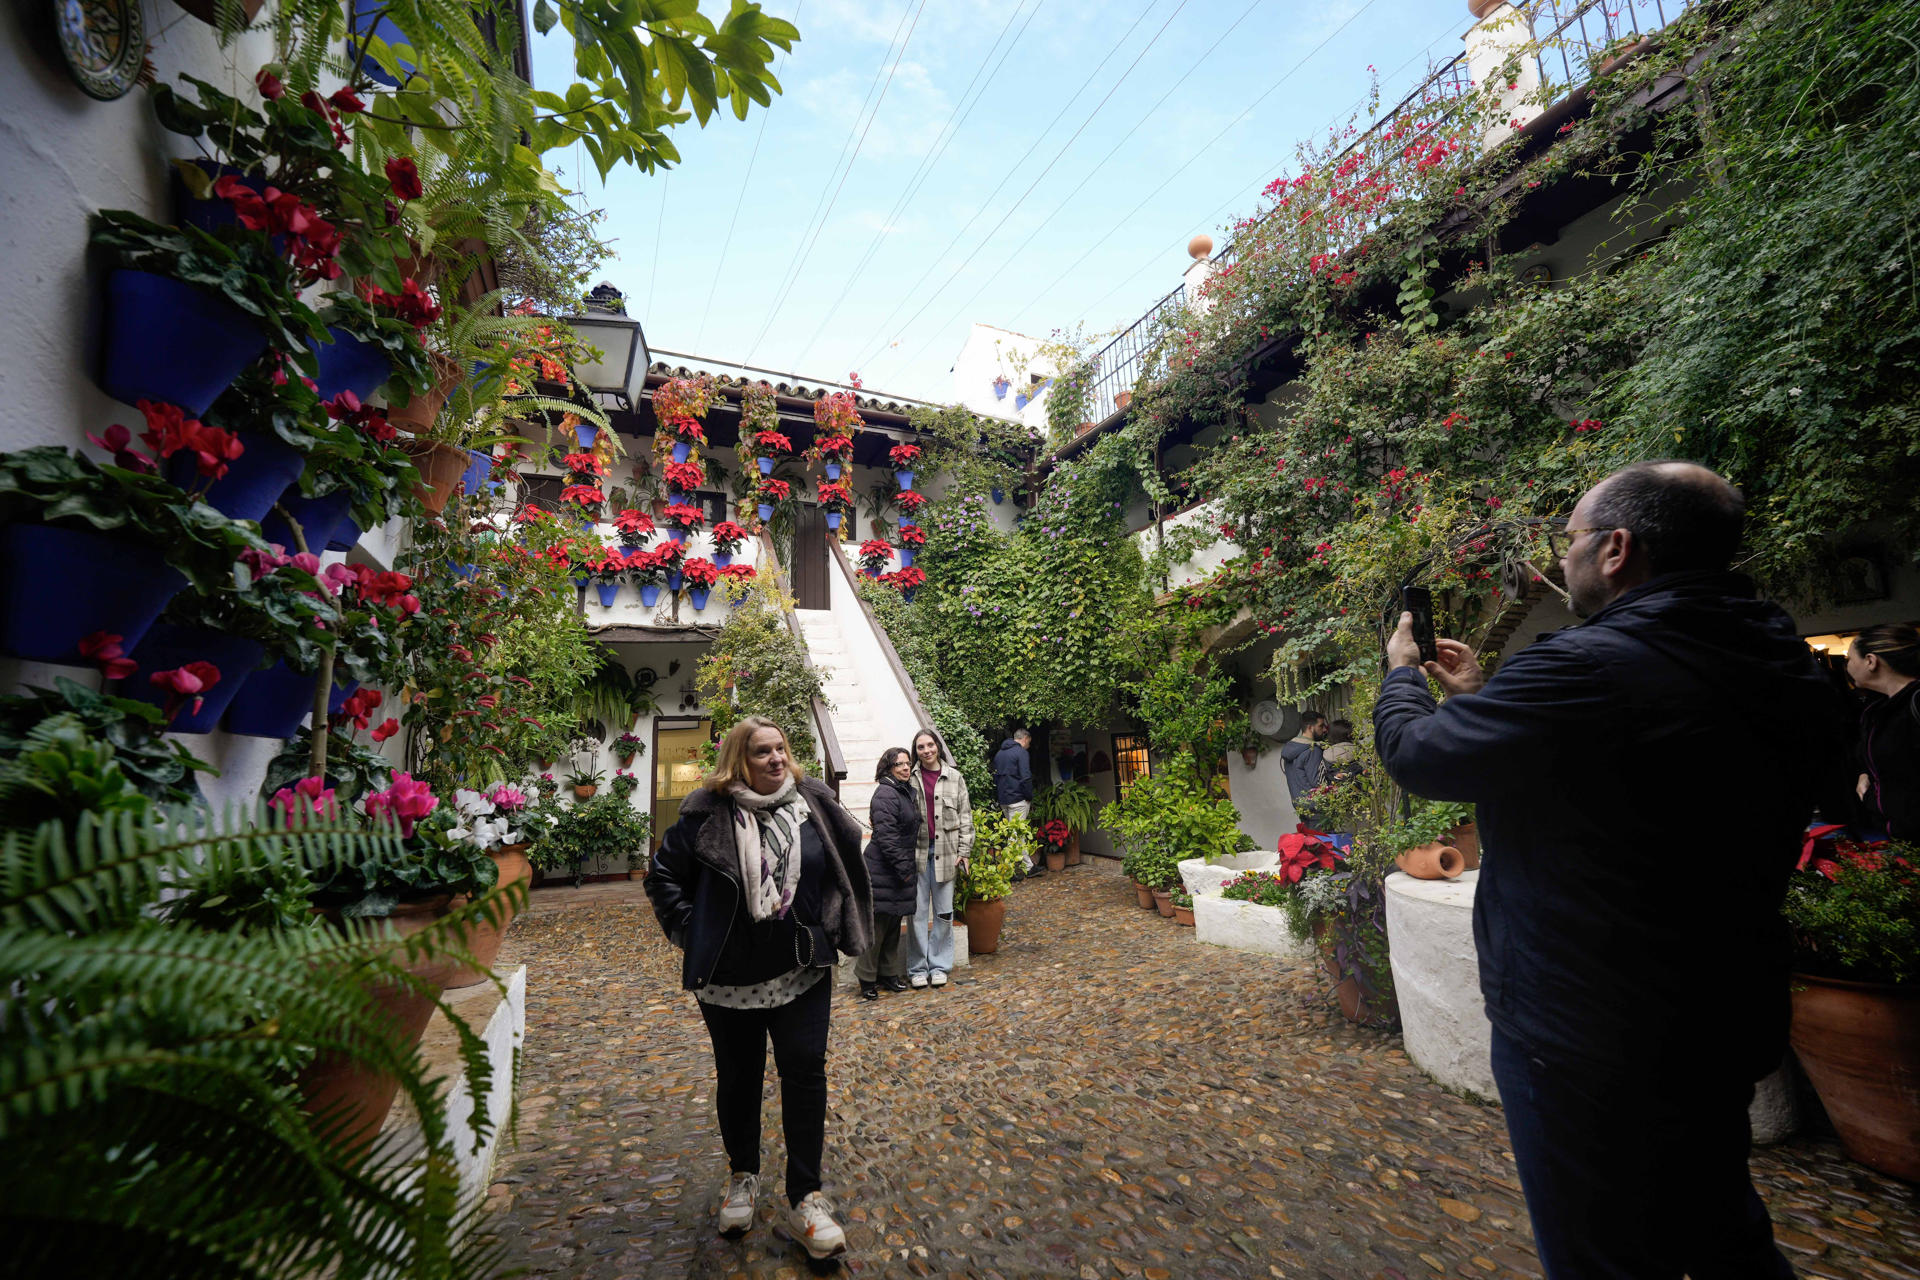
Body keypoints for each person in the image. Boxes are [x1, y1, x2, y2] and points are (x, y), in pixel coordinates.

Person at [1372, 461, 1844, 1279]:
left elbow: (1420, 755)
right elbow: (1636, 780)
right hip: (1719, 1013)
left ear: (1618, 548)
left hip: (1588, 1027)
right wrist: (1490, 697)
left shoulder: (1588, 669)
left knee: (1602, 1257)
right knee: (1722, 1230)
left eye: (1573, 541)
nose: (1564, 561)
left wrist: (1402, 680)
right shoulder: (1780, 660)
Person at [643, 716, 873, 1261]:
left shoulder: (812, 802)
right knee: (740, 1079)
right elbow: (662, 877)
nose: (775, 759)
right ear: (737, 763)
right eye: (761, 752)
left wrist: (836, 922)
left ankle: (806, 1199)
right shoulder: (708, 812)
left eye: (781, 749)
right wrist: (690, 929)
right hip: (730, 981)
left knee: (804, 1076)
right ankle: (743, 1176)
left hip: (803, 970)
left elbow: (844, 864)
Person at [907, 727, 974, 988]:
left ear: (938, 746)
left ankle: (939, 966)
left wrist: (964, 851)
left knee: (945, 913)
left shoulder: (955, 778)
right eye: (921, 747)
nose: (926, 751)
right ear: (916, 751)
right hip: (918, 856)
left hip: (947, 855)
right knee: (917, 914)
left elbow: (966, 817)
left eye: (930, 745)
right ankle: (917, 968)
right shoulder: (909, 779)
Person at [857, 748, 919, 1000]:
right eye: (899, 764)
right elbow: (887, 838)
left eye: (907, 763)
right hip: (884, 867)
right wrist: (905, 869)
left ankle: (888, 974)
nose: (905, 768)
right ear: (888, 768)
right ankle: (866, 978)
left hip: (896, 866)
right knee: (878, 926)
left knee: (893, 923)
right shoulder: (886, 793)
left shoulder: (902, 790)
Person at [1847, 623, 1920, 840]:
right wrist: (1865, 774)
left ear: (1870, 661)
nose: (1847, 665)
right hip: (1898, 838)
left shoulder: (1915, 703)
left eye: (1850, 658)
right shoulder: (1877, 710)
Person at [1280, 712, 1327, 825]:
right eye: (1321, 726)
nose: (1325, 730)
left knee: (1310, 840)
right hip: (1316, 807)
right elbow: (1317, 782)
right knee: (1322, 841)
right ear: (1310, 728)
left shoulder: (1290, 749)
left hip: (1299, 805)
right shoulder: (1313, 750)